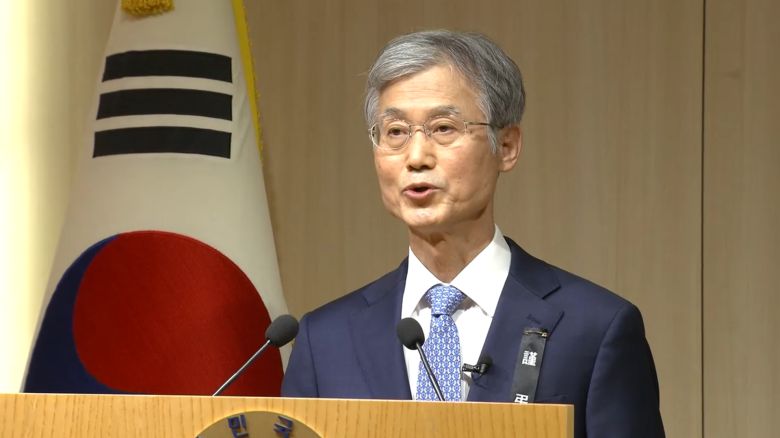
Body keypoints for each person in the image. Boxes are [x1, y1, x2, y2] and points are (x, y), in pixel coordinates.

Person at [282, 30, 664, 437]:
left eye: (443, 128)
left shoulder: (595, 328)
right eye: (395, 132)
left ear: (507, 146)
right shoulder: (325, 339)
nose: (416, 157)